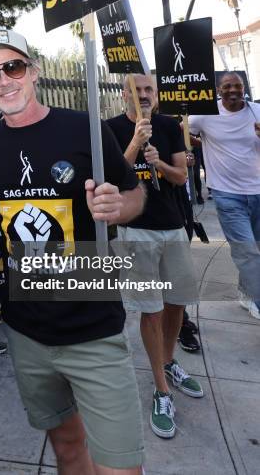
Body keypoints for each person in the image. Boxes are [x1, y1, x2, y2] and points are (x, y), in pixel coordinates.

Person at [0, 27, 146, 475]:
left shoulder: (84, 128)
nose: (4, 80)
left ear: (34, 71)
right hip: (27, 331)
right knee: (68, 450)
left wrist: (116, 207)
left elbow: (134, 196)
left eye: (12, 67)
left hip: (93, 327)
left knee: (121, 467)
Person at [107, 74, 203, 440]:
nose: (143, 95)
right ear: (124, 94)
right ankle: (161, 389)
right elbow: (112, 176)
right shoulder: (112, 128)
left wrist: (158, 162)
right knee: (151, 308)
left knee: (177, 302)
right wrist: (134, 143)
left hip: (173, 227)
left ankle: (169, 361)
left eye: (149, 89)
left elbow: (181, 176)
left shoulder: (169, 126)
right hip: (136, 232)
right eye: (137, 89)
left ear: (157, 95)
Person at [188, 72, 260, 319]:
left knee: (256, 249)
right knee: (246, 251)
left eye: (237, 86)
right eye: (227, 86)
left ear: (244, 88)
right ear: (218, 90)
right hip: (227, 194)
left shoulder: (257, 112)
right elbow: (180, 131)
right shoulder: (206, 114)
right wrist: (201, 144)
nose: (233, 90)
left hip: (259, 191)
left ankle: (247, 291)